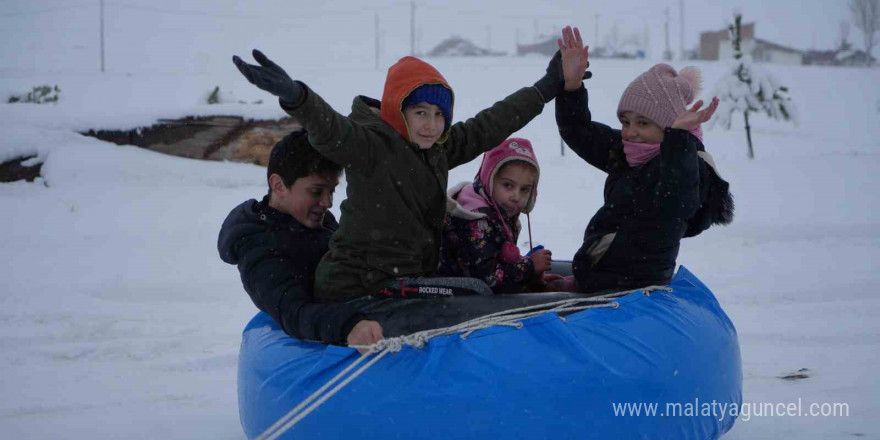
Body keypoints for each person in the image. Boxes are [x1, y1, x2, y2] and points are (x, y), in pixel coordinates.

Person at [232, 29, 588, 301]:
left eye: (438, 115)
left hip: (408, 276)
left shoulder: (437, 148)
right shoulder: (369, 146)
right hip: (363, 284)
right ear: (397, 111)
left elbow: (491, 123)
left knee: (475, 288)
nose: (431, 125)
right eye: (420, 113)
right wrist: (297, 98)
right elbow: (329, 129)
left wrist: (546, 87)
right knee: (475, 294)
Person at [554, 26, 734, 293]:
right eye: (626, 121)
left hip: (635, 289)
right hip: (602, 276)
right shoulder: (629, 152)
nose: (631, 132)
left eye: (643, 122)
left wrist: (679, 138)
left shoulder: (686, 164)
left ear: (669, 127)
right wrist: (572, 86)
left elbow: (676, 201)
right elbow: (578, 130)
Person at [217, 131, 383, 347]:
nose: (327, 203)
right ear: (279, 186)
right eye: (316, 191)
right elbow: (294, 312)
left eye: (331, 191)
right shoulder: (260, 247)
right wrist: (348, 326)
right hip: (317, 344)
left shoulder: (316, 220)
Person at [438, 138, 558, 293]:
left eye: (524, 190)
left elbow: (497, 258)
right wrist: (529, 267)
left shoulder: (498, 211)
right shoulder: (473, 220)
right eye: (508, 185)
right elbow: (488, 279)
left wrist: (530, 278)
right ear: (490, 179)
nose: (516, 196)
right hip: (456, 301)